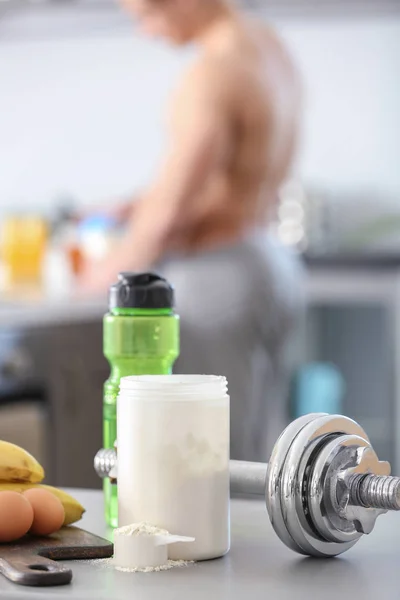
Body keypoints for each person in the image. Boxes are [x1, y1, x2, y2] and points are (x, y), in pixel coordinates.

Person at [80, 0, 304, 461]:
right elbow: (228, 174)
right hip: (268, 259)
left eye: (147, 14)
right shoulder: (267, 47)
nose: (146, 31)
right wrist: (133, 205)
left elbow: (169, 209)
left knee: (214, 451)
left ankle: (220, 538)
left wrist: (105, 274)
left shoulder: (212, 74)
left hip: (219, 278)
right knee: (260, 440)